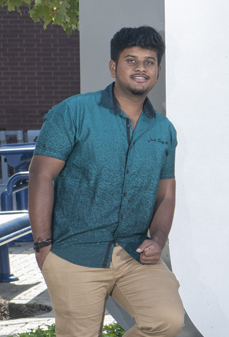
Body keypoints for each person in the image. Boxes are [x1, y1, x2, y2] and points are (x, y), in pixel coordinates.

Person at [28, 26, 185, 337]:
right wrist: (43, 245)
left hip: (132, 252)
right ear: (114, 67)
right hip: (73, 250)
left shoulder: (164, 129)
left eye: (149, 62)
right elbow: (41, 175)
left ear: (158, 71)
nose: (141, 68)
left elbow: (165, 194)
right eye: (131, 60)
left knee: (167, 320)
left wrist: (158, 240)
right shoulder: (74, 112)